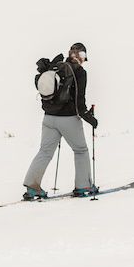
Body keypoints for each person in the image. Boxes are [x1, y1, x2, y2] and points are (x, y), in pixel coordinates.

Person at [23, 42, 99, 198]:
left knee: (44, 151)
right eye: (83, 56)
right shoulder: (80, 72)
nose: (83, 60)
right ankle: (83, 186)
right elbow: (79, 103)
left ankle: (32, 186)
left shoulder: (56, 67)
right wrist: (90, 118)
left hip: (49, 118)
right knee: (80, 150)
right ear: (80, 56)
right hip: (68, 119)